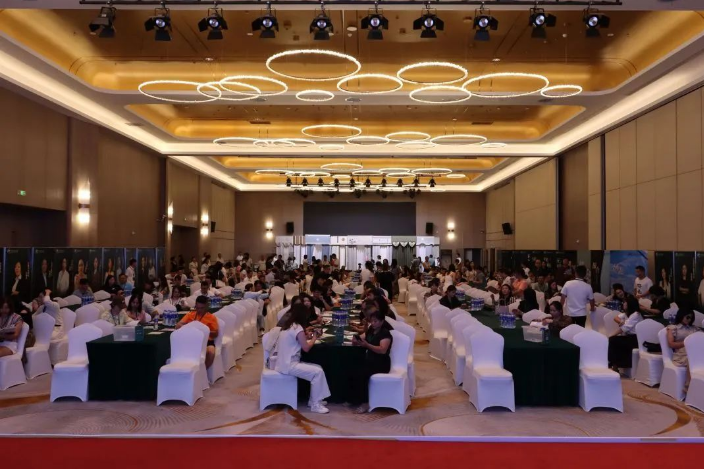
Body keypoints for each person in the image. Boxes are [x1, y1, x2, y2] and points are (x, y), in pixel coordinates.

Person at [274, 304, 330, 414]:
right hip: (289, 365)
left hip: (282, 362)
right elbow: (306, 348)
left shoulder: (289, 325)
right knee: (317, 372)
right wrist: (314, 337)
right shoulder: (297, 328)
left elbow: (297, 340)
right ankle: (315, 405)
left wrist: (308, 336)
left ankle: (314, 400)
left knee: (318, 368)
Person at [349, 308, 394, 413]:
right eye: (372, 321)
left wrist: (367, 345)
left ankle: (365, 403)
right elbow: (362, 337)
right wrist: (356, 340)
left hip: (381, 363)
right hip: (370, 359)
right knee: (351, 366)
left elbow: (382, 350)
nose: (373, 323)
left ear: (381, 321)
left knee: (362, 373)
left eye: (375, 321)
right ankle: (354, 399)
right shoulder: (371, 330)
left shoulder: (385, 333)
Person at [176, 296, 219, 368]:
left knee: (211, 352)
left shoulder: (212, 317)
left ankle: (203, 370)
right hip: (191, 340)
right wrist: (190, 328)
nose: (199, 310)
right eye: (197, 308)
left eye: (202, 308)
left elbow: (216, 333)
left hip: (207, 341)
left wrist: (205, 331)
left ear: (206, 306)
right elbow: (178, 326)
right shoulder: (190, 314)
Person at [666, 308, 700, 390]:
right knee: (691, 359)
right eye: (687, 317)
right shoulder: (673, 328)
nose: (689, 320)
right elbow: (670, 344)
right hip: (681, 354)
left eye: (691, 318)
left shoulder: (694, 328)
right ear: (681, 316)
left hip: (694, 351)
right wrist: (686, 343)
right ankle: (688, 385)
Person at [608, 296, 643, 370]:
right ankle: (614, 364)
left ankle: (614, 365)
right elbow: (616, 318)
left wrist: (611, 335)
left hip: (636, 338)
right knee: (613, 340)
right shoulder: (626, 314)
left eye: (625, 302)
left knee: (612, 340)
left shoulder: (636, 314)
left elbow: (624, 329)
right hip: (629, 337)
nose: (623, 304)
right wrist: (621, 321)